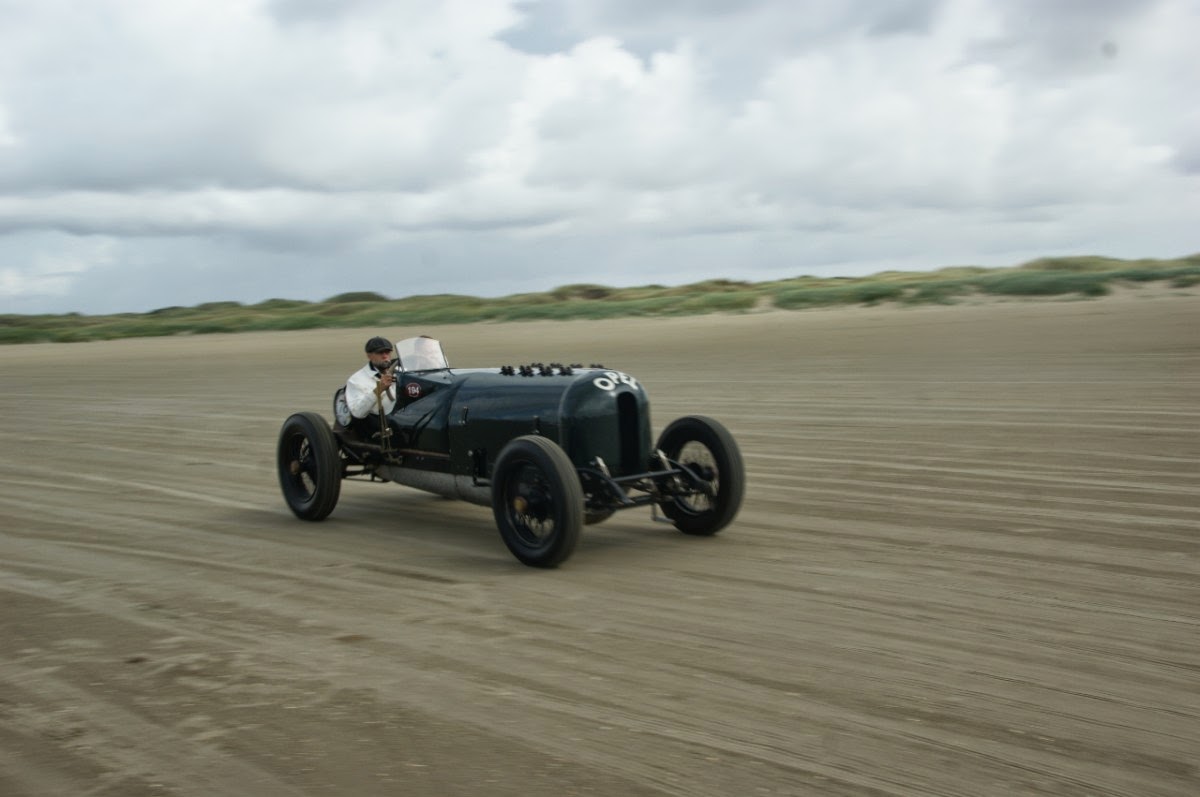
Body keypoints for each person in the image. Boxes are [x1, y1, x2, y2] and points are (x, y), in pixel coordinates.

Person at [345, 336, 397, 437]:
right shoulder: (356, 380)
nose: (385, 356)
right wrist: (379, 389)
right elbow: (358, 412)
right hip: (378, 426)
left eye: (387, 352)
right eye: (380, 353)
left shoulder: (401, 371)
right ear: (369, 356)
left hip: (404, 418)